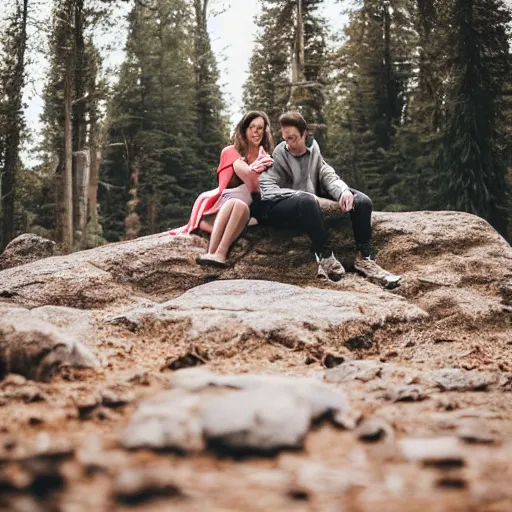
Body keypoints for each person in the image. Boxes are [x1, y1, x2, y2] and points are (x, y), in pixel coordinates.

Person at [251, 110, 401, 288]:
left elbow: (326, 174)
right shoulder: (279, 154)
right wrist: (305, 196)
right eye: (285, 138)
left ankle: (364, 258)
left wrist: (343, 191)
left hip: (308, 198)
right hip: (279, 205)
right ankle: (325, 256)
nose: (289, 143)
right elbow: (267, 189)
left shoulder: (313, 149)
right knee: (307, 200)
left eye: (293, 138)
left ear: (305, 134)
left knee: (362, 201)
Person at [170, 111, 274, 267]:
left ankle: (220, 254)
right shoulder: (231, 152)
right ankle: (211, 253)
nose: (256, 131)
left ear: (265, 132)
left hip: (249, 208)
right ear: (244, 129)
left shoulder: (266, 158)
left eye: (260, 128)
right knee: (236, 203)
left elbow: (263, 187)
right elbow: (227, 185)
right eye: (252, 127)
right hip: (223, 206)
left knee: (240, 205)